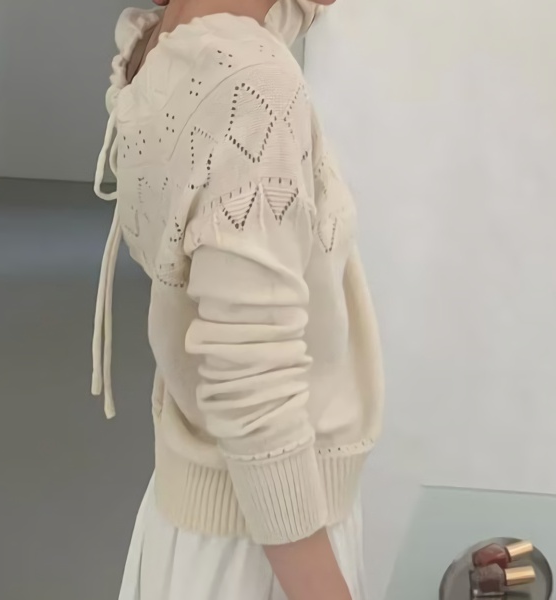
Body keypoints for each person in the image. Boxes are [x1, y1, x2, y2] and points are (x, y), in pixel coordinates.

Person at [92, 0, 384, 598]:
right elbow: (254, 390)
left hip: (198, 526)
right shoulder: (255, 92)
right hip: (269, 551)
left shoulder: (164, 47)